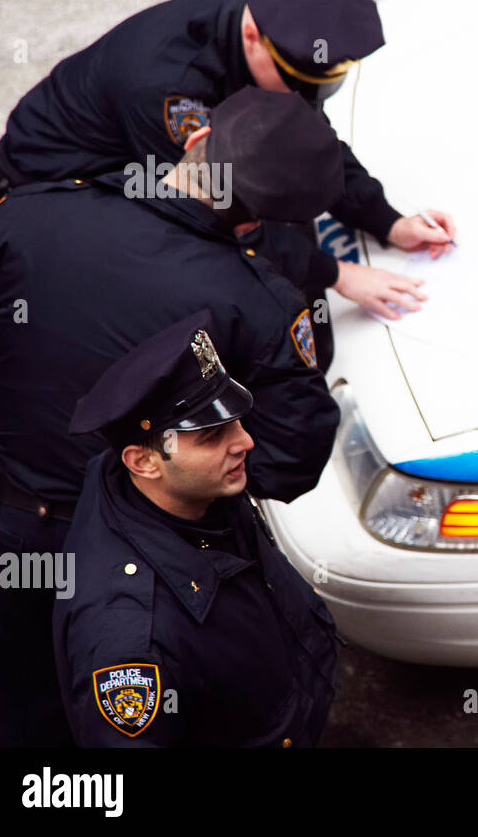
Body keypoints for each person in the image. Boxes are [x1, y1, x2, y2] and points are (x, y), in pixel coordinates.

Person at [0, 87, 341, 747]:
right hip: (168, 547)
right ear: (262, 219)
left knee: (27, 718)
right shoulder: (253, 297)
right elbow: (293, 457)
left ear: (197, 141)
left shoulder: (30, 212)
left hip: (22, 533)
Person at [0, 0, 457, 362]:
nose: (303, 99)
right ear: (252, 37)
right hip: (43, 200)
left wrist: (387, 221)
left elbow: (307, 141)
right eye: (297, 84)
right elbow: (213, 208)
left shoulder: (273, 36)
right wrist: (339, 274)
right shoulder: (169, 88)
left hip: (129, 171)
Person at [55, 311, 338, 747]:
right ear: (143, 462)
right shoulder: (130, 646)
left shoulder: (192, 492)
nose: (245, 441)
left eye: (237, 420)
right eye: (212, 435)